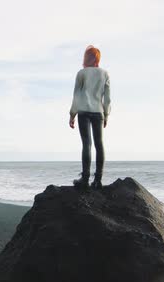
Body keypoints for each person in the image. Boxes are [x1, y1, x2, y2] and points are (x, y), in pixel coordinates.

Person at [69, 45, 111, 189]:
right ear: (97, 59)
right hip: (98, 112)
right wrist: (106, 115)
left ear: (86, 58)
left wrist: (72, 114)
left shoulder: (81, 73)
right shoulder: (105, 74)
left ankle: (85, 179)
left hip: (83, 111)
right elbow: (107, 99)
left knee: (87, 144)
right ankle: (98, 180)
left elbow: (76, 96)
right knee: (99, 144)